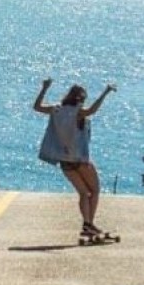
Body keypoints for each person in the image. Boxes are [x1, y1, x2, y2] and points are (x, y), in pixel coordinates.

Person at [34, 78, 116, 238]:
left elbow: (37, 107)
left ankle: (87, 224)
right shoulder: (78, 112)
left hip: (64, 161)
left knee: (83, 193)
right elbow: (92, 110)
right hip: (80, 160)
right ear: (81, 99)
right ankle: (89, 224)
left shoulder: (56, 110)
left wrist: (44, 88)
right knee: (95, 190)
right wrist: (105, 92)